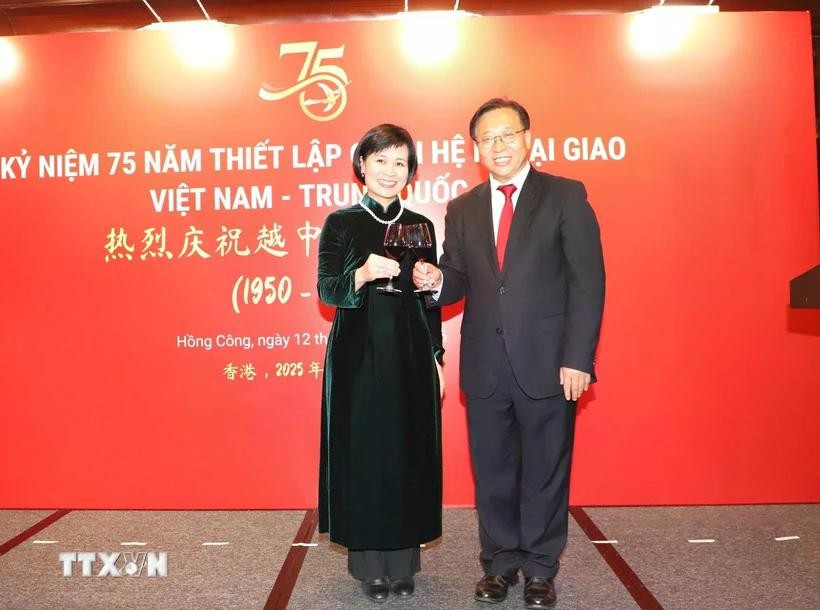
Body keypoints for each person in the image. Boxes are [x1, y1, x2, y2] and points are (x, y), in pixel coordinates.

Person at [413, 98, 605, 609]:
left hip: (549, 363)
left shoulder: (565, 196)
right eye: (485, 138)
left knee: (545, 470)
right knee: (493, 472)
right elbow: (457, 281)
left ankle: (541, 568)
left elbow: (588, 283)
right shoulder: (462, 207)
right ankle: (498, 565)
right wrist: (435, 280)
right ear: (475, 147)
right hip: (485, 365)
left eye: (506, 135)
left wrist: (579, 358)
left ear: (527, 138)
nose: (496, 146)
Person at [317, 123, 444, 602]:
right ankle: (370, 565)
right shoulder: (341, 223)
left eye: (400, 163)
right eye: (381, 160)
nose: (391, 171)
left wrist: (436, 354)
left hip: (412, 352)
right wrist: (363, 272)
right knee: (367, 452)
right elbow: (328, 290)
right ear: (362, 166)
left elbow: (430, 302)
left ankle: (404, 562)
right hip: (358, 354)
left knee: (408, 450)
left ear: (410, 171)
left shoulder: (422, 225)